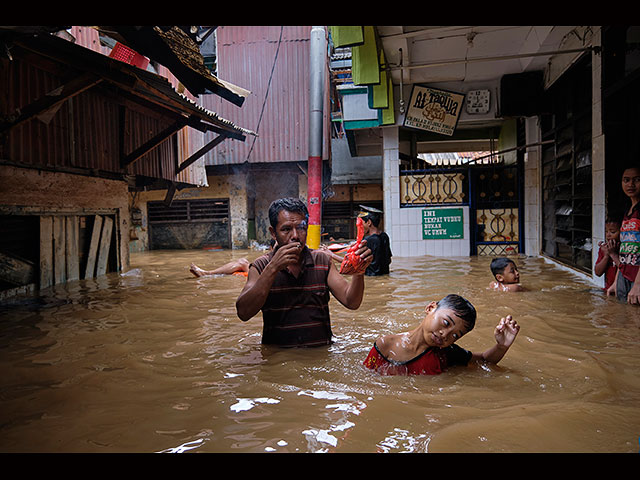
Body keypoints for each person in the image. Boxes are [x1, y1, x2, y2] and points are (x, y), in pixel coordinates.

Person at [235, 197, 373, 347]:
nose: (295, 235)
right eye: (286, 229)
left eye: (301, 227)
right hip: (279, 361)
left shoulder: (322, 260)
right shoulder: (261, 266)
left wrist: (359, 271)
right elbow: (243, 312)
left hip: (320, 358)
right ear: (273, 233)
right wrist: (273, 269)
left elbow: (351, 302)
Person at [363, 294, 519, 375]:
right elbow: (366, 378)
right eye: (446, 323)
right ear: (431, 308)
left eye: (455, 336)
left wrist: (502, 345)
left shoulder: (446, 354)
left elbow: (484, 360)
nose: (445, 335)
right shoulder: (385, 345)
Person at [616, 165, 640, 304]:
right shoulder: (627, 211)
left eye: (636, 180)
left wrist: (638, 284)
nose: (630, 184)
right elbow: (624, 249)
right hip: (624, 275)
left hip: (637, 280)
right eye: (626, 180)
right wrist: (616, 281)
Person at [359, 205, 392, 276]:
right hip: (385, 275)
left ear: (369, 222)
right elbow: (389, 260)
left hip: (371, 278)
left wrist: (332, 255)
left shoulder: (367, 240)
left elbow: (356, 263)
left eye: (362, 223)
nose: (361, 226)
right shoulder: (384, 236)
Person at [594, 216, 621, 295]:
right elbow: (598, 272)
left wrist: (613, 254)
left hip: (623, 291)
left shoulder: (626, 249)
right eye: (606, 231)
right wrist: (606, 256)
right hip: (608, 290)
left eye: (612, 232)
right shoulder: (604, 249)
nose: (608, 235)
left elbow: (625, 271)